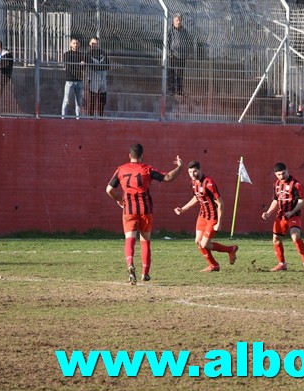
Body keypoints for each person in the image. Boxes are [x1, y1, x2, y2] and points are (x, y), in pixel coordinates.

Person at [106, 144, 183, 285]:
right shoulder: (147, 169)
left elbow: (109, 189)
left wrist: (119, 200)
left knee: (129, 238)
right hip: (145, 209)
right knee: (145, 240)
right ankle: (145, 273)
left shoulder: (121, 169)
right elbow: (168, 177)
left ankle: (130, 264)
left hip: (129, 209)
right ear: (142, 155)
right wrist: (180, 167)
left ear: (130, 156)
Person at [174, 161, 238, 272]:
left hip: (213, 217)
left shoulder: (209, 183)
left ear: (200, 169)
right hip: (202, 215)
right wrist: (183, 209)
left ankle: (230, 249)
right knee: (198, 242)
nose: (192, 174)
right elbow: (196, 197)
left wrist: (219, 223)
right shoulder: (193, 183)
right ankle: (214, 265)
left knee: (204, 244)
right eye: (190, 172)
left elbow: (220, 203)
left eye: (194, 171)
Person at [261, 163, 304, 273]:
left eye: (283, 173)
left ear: (287, 170)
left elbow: (302, 201)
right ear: (275, 174)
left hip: (293, 215)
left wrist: (292, 211)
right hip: (280, 216)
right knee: (276, 239)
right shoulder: (276, 184)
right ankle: (282, 264)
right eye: (279, 174)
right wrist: (268, 213)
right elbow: (275, 200)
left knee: (295, 236)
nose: (281, 176)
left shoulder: (296, 184)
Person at [167, 13, 192, 96]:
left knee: (180, 74)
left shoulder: (184, 30)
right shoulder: (170, 30)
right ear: (173, 21)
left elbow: (187, 42)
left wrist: (187, 52)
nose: (178, 22)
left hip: (182, 55)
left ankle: (180, 90)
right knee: (172, 72)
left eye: (179, 20)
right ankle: (171, 90)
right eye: (177, 20)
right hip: (173, 54)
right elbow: (167, 41)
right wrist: (169, 52)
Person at [61, 38, 86, 118]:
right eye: (74, 43)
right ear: (70, 44)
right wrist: (79, 64)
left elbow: (83, 67)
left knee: (79, 102)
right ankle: (63, 117)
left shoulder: (81, 55)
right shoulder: (67, 54)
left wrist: (80, 65)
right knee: (66, 101)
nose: (75, 45)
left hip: (79, 81)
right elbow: (68, 66)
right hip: (69, 80)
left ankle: (78, 118)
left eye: (77, 43)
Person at [86, 37, 109, 117]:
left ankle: (101, 116)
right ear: (90, 44)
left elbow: (107, 65)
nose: (95, 45)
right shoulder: (88, 54)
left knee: (102, 100)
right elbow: (91, 66)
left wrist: (98, 66)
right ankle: (91, 117)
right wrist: (99, 66)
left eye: (96, 43)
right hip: (93, 79)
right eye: (93, 43)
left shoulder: (103, 53)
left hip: (102, 79)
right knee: (92, 99)